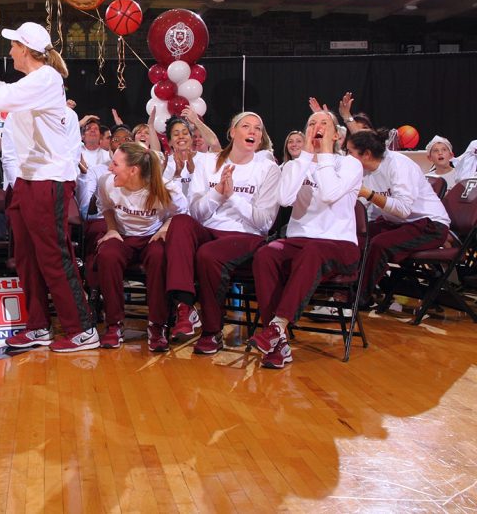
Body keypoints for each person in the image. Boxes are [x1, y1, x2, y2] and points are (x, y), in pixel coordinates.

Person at [0, 22, 98, 352]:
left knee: (53, 255)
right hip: (25, 180)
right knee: (25, 256)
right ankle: (37, 326)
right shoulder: (35, 81)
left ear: (25, 49)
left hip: (47, 180)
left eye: (13, 45)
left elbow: (10, 96)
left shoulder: (48, 78)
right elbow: (12, 91)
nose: (9, 50)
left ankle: (81, 328)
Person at [248, 111, 364, 368]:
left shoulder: (350, 165)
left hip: (339, 244)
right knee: (265, 254)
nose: (316, 127)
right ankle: (279, 342)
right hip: (300, 241)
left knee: (313, 250)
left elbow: (331, 193)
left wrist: (322, 155)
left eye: (324, 123)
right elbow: (285, 199)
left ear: (337, 135)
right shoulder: (295, 165)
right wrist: (305, 160)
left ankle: (276, 328)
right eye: (311, 123)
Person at [163, 111, 281, 354]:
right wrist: (216, 192)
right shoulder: (208, 162)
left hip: (246, 236)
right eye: (246, 126)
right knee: (181, 222)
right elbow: (196, 213)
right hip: (210, 229)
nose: (253, 131)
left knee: (208, 254)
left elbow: (264, 223)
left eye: (258, 129)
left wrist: (232, 196)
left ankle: (211, 331)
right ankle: (185, 307)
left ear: (260, 138)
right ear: (232, 132)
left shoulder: (268, 168)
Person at [92, 142, 187, 348]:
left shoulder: (164, 187)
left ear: (133, 170)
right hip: (123, 236)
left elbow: (181, 214)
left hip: (152, 236)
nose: (110, 168)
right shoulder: (107, 182)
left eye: (115, 164)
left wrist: (164, 229)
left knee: (159, 257)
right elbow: (106, 206)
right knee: (107, 254)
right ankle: (114, 325)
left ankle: (157, 325)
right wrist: (111, 229)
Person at [346, 129, 450, 303]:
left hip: (430, 225)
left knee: (379, 244)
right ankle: (346, 288)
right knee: (354, 236)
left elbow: (403, 210)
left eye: (350, 152)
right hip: (399, 223)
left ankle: (358, 299)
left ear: (367, 154)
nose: (348, 157)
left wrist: (368, 194)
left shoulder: (398, 165)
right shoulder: (364, 169)